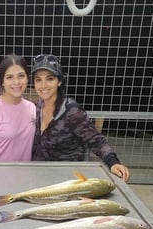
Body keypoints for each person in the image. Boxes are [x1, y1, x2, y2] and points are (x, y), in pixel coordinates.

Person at [31, 54, 130, 182]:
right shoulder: (38, 106)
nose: (43, 85)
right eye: (38, 79)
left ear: (59, 81)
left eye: (50, 79)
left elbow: (97, 141)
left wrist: (113, 162)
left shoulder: (71, 111)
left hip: (66, 181)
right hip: (39, 177)